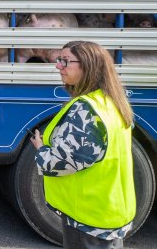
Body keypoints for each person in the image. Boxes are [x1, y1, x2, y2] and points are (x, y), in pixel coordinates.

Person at [30, 40, 135, 249]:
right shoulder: (110, 102)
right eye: (59, 60)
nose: (58, 66)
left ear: (87, 66)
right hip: (110, 210)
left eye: (65, 61)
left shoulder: (86, 111)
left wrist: (41, 149)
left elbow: (62, 163)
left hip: (88, 219)